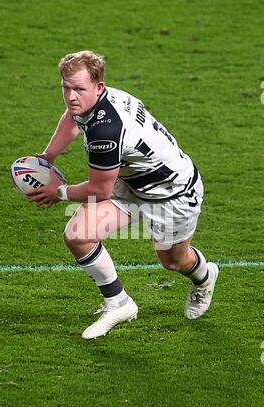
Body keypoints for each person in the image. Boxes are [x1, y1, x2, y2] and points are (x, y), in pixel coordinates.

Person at [29, 50, 219, 340]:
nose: (70, 96)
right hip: (129, 184)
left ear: (98, 86)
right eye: (65, 87)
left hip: (171, 195)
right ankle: (119, 303)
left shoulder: (106, 129)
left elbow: (98, 189)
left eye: (78, 88)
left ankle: (205, 278)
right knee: (78, 234)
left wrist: (59, 192)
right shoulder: (91, 102)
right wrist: (48, 156)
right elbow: (71, 117)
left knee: (173, 262)